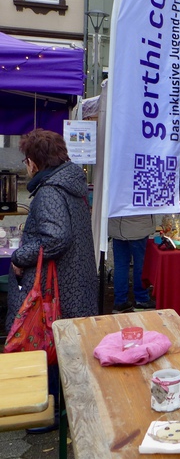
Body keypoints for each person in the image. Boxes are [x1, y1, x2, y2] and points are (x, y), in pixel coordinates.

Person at [6, 129, 99, 433]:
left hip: (59, 285)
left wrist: (21, 257)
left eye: (26, 159)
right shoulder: (70, 183)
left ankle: (52, 409)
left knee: (49, 342)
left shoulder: (49, 191)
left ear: (34, 162)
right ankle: (63, 405)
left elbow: (57, 237)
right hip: (76, 279)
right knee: (65, 345)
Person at [108, 215, 156, 313]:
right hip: (139, 224)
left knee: (120, 264)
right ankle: (141, 298)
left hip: (118, 226)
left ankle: (120, 301)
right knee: (140, 264)